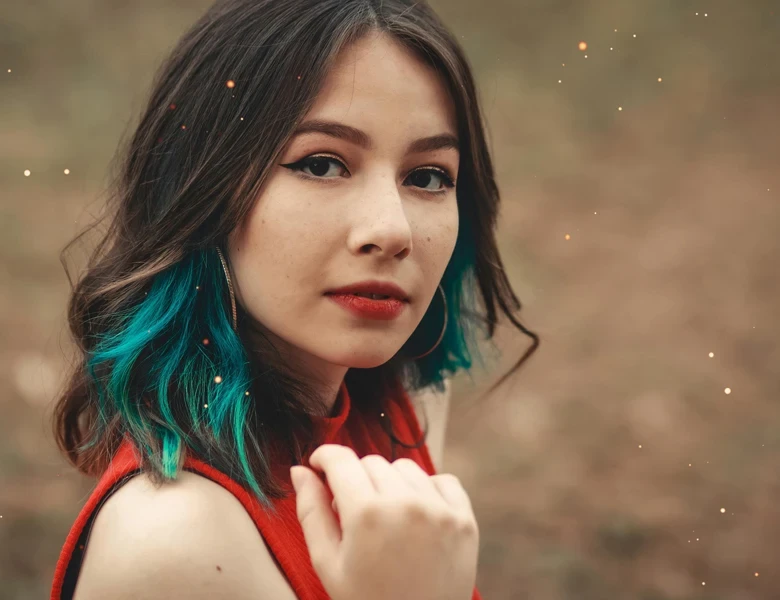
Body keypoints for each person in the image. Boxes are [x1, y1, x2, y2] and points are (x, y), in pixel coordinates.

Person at [49, 0, 538, 598]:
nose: (392, 230)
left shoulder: (399, 400)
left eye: (429, 176)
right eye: (323, 163)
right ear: (205, 191)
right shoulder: (174, 547)